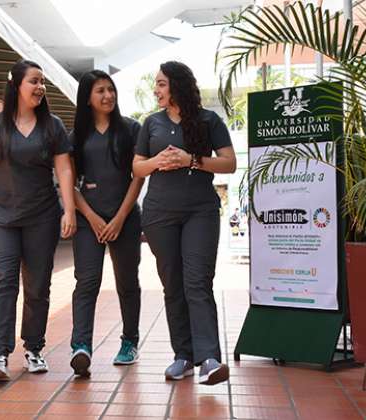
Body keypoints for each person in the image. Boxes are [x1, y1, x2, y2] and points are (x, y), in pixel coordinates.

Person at [0, 59, 76, 381]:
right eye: (34, 81)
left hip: (42, 217)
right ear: (16, 85)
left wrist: (69, 209)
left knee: (38, 286)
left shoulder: (52, 126)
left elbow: (64, 168)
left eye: (43, 83)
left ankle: (34, 348)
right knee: (3, 282)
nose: (41, 87)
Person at [132, 61, 236, 385]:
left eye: (161, 84)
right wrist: (157, 161)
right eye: (156, 84)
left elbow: (229, 163)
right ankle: (183, 356)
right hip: (159, 214)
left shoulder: (208, 120)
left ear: (176, 85)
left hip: (200, 212)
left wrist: (191, 160)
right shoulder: (150, 124)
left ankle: (209, 358)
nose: (156, 90)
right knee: (172, 284)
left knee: (198, 281)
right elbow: (137, 168)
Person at [68, 70, 144, 377]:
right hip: (90, 221)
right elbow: (69, 184)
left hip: (124, 218)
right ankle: (81, 347)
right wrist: (92, 217)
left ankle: (129, 342)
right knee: (87, 281)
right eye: (100, 90)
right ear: (88, 97)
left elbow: (138, 176)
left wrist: (120, 217)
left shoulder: (131, 129)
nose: (108, 96)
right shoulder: (76, 137)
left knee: (127, 282)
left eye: (110, 90)